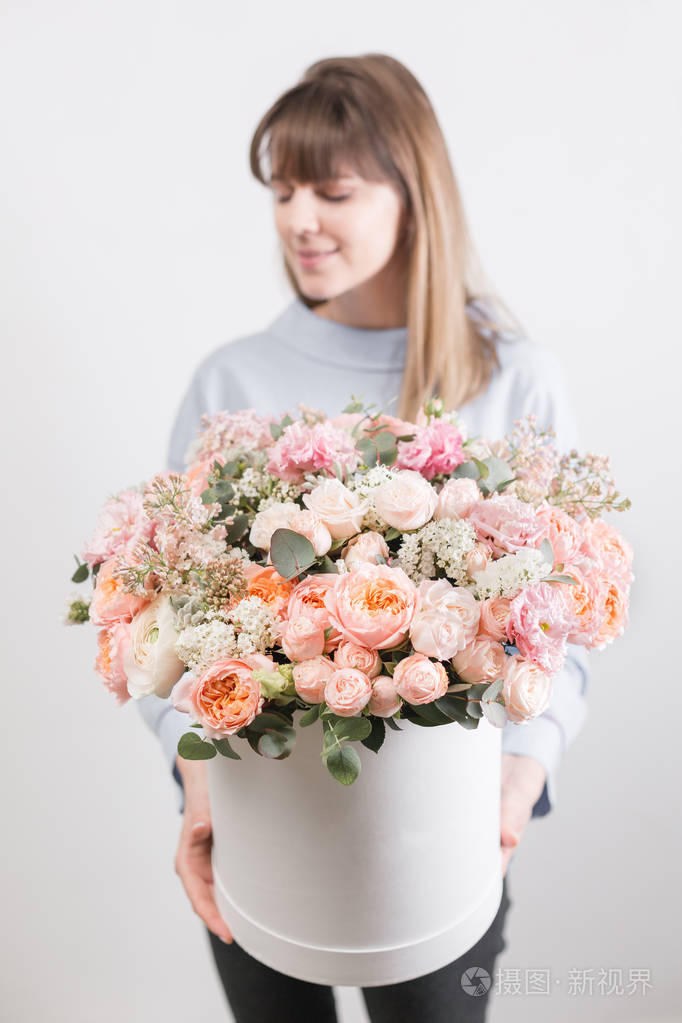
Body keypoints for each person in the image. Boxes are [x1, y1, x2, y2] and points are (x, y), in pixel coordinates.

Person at [137, 54, 588, 1022]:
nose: (300, 219)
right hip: (254, 825)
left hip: (445, 830)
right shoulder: (233, 383)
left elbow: (564, 627)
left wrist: (519, 780)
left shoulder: (515, 381)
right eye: (284, 189)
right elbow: (164, 628)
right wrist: (198, 787)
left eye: (333, 190)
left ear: (412, 195)